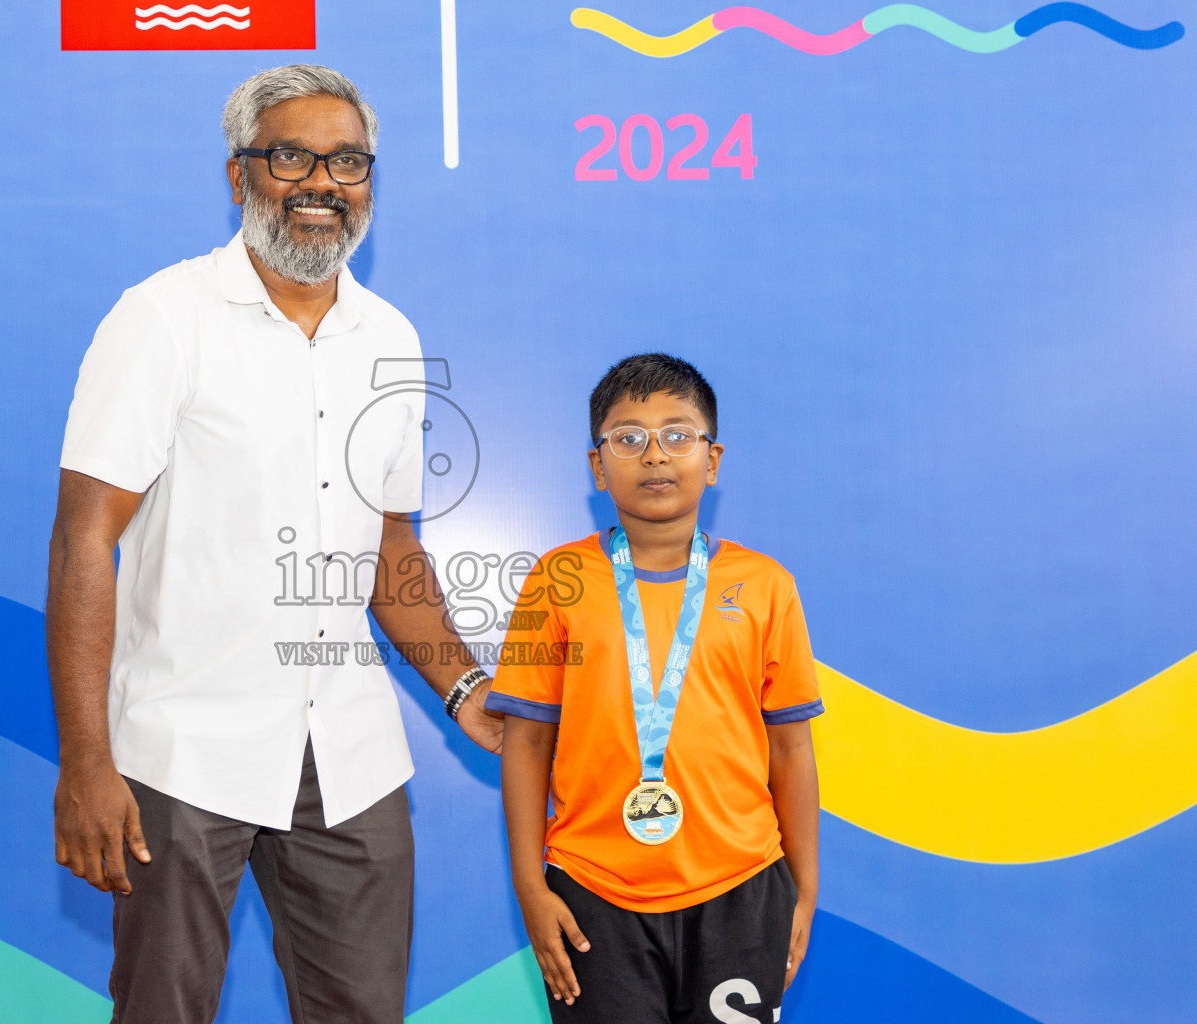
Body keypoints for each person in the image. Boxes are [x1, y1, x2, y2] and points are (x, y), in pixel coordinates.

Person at [46, 65, 502, 1024]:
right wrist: (88, 763)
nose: (321, 183)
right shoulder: (161, 319)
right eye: (291, 156)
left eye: (348, 161)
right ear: (239, 174)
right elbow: (86, 540)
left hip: (349, 754)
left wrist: (465, 689)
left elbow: (390, 549)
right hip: (182, 752)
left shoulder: (393, 339)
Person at [487, 353, 823, 1024]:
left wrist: (802, 890)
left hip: (742, 888)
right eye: (628, 438)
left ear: (713, 458)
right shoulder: (556, 580)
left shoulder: (767, 586)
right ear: (597, 465)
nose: (655, 456)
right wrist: (531, 883)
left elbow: (791, 748)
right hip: (592, 893)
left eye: (678, 435)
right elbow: (525, 743)